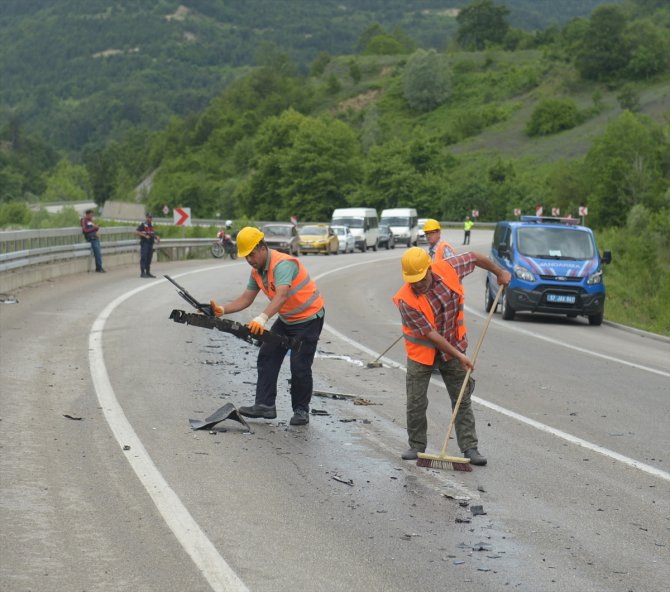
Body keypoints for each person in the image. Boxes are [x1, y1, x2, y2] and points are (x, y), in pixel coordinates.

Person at [392, 247, 511, 465]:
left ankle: (470, 448)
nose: (417, 284)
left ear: (429, 269)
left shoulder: (448, 268)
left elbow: (475, 257)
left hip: (454, 345)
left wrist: (498, 271)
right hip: (422, 354)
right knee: (416, 401)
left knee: (461, 398)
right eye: (412, 280)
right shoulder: (406, 300)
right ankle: (416, 446)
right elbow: (431, 335)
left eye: (420, 278)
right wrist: (460, 356)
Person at [209, 226, 325, 426]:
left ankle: (301, 410)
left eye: (252, 255)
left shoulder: (282, 264)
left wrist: (262, 318)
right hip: (288, 319)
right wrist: (222, 310)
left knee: (299, 366)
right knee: (267, 354)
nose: (249, 260)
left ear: (262, 248)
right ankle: (265, 405)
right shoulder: (257, 271)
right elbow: (246, 298)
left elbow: (281, 295)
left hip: (309, 319)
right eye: (246, 257)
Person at [136, 213, 160, 278]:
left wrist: (156, 237)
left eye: (151, 217)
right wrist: (145, 236)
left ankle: (148, 272)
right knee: (144, 258)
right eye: (148, 217)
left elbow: (151, 234)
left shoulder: (151, 225)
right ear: (146, 217)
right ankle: (142, 273)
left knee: (149, 258)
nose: (150, 218)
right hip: (145, 243)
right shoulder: (143, 225)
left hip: (150, 244)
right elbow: (137, 232)